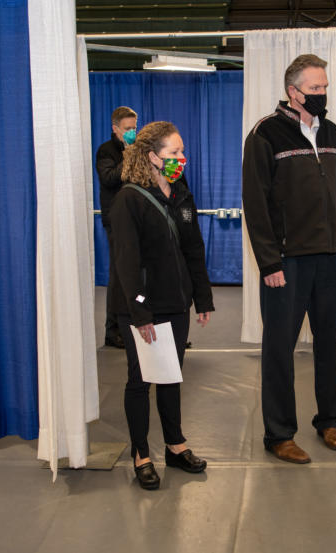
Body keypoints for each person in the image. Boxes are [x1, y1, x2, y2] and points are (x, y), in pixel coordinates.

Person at [242, 54, 336, 464]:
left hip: (330, 259)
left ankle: (329, 420)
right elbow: (255, 205)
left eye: (325, 87)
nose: (321, 94)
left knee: (329, 343)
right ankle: (279, 434)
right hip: (287, 262)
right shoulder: (265, 135)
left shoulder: (332, 132)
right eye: (315, 88)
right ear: (293, 91)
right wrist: (269, 263)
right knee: (280, 348)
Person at [109, 121, 214, 490]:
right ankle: (141, 454)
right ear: (153, 157)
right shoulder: (129, 199)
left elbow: (193, 249)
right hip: (141, 308)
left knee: (171, 376)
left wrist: (201, 296)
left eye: (181, 152)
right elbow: (126, 261)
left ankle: (175, 445)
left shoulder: (182, 195)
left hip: (175, 302)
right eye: (173, 153)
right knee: (141, 380)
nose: (181, 158)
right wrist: (140, 313)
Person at [96, 106, 138, 349]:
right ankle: (113, 331)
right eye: (127, 129)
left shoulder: (139, 149)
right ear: (115, 129)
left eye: (135, 127)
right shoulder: (106, 151)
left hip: (137, 217)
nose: (132, 132)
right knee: (119, 275)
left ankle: (138, 322)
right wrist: (129, 155)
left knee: (139, 273)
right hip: (116, 219)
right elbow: (109, 178)